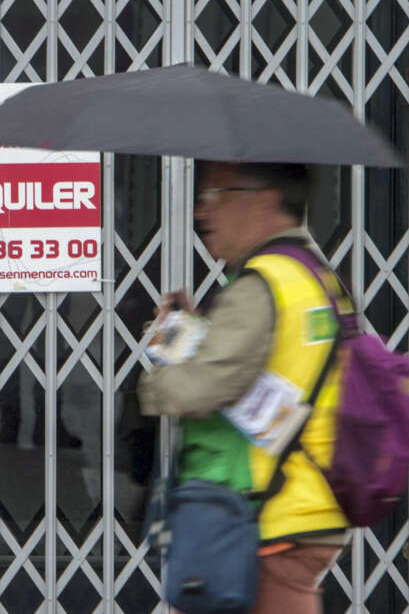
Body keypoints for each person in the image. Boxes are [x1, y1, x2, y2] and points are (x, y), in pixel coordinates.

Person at [138, 161, 348, 614]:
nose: (201, 212)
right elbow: (264, 368)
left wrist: (157, 376)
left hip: (263, 512)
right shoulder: (313, 276)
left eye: (216, 195)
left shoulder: (260, 285)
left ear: (264, 201)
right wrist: (194, 330)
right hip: (302, 503)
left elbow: (196, 389)